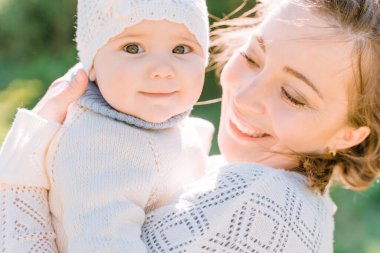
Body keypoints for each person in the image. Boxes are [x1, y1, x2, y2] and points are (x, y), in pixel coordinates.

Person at [1, 0, 380, 252]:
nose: (245, 96)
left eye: (293, 95)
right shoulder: (240, 181)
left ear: (350, 133)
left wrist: (23, 167)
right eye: (252, 57)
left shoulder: (263, 203)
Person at [0, 0, 213, 252]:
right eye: (133, 48)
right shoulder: (100, 145)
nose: (162, 70)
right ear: (91, 66)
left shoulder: (163, 126)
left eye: (181, 49)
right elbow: (103, 243)